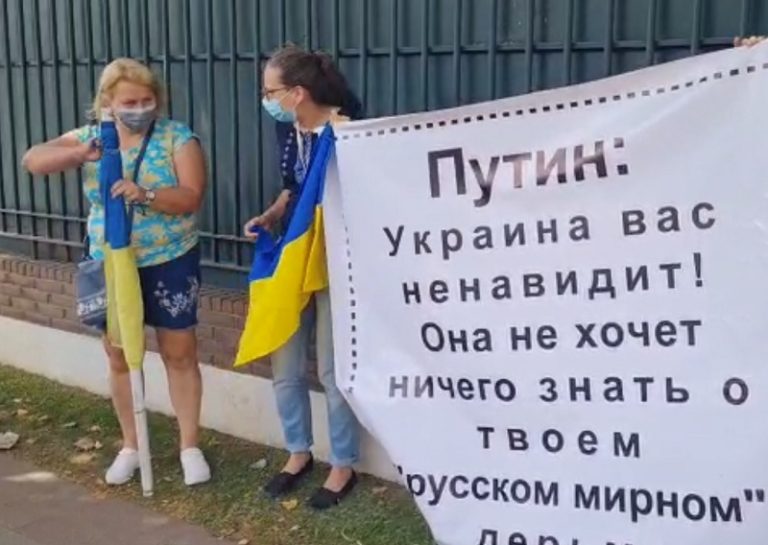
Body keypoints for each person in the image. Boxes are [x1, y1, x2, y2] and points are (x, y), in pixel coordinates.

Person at [22, 58, 210, 487]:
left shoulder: (176, 137)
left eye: (147, 100)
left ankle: (189, 447)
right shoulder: (91, 137)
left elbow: (191, 196)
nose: (139, 109)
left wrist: (144, 194)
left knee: (180, 352)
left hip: (169, 257)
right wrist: (80, 154)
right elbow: (33, 159)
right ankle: (131, 445)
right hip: (110, 259)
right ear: (107, 101)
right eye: (129, 102)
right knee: (120, 354)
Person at [243, 45, 363, 510]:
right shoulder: (287, 128)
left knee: (333, 370)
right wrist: (272, 214)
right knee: (286, 363)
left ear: (297, 92)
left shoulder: (350, 132)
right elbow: (293, 188)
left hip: (333, 263)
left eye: (270, 91)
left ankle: (343, 463)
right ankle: (298, 453)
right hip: (293, 256)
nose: (265, 100)